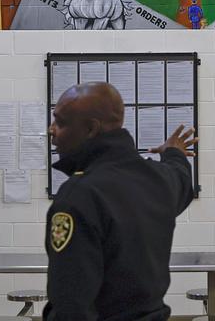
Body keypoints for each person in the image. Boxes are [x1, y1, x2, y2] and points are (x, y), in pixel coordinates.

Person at [44, 82, 196, 321]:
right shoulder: (160, 180)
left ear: (91, 129)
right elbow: (181, 175)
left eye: (61, 122)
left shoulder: (79, 196)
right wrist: (173, 151)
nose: (51, 130)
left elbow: (71, 305)